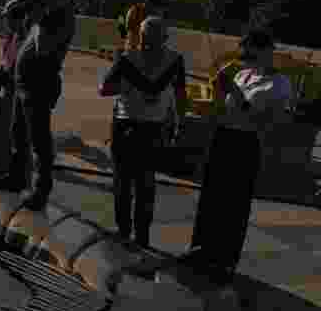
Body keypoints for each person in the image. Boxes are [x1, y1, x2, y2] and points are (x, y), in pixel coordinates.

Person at [184, 28, 294, 279]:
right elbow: (224, 108)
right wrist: (218, 90)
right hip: (223, 136)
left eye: (250, 54)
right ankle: (200, 249)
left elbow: (270, 122)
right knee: (211, 197)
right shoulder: (242, 74)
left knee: (234, 203)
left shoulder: (279, 83)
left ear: (267, 52)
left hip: (246, 143)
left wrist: (235, 94)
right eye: (244, 54)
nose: (245, 59)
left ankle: (225, 261)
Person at [0, 0, 77, 211]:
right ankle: (17, 178)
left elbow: (44, 48)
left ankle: (41, 190)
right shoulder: (45, 12)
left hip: (41, 83)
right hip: (23, 82)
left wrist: (37, 15)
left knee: (39, 139)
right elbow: (17, 27)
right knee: (18, 132)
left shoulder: (61, 15)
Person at [98, 17, 187, 249]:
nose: (149, 43)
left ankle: (125, 231)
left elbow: (104, 88)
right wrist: (179, 123)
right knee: (143, 183)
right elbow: (180, 94)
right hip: (150, 127)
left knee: (125, 182)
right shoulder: (175, 61)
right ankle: (140, 236)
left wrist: (127, 87)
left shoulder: (128, 59)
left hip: (128, 124)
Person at [0, 0, 28, 177]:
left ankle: (8, 171)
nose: (7, 22)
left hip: (15, 94)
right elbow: (8, 65)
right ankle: (1, 168)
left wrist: (5, 75)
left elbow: (23, 72)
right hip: (6, 90)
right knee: (0, 134)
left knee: (11, 135)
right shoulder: (11, 38)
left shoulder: (27, 40)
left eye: (10, 18)